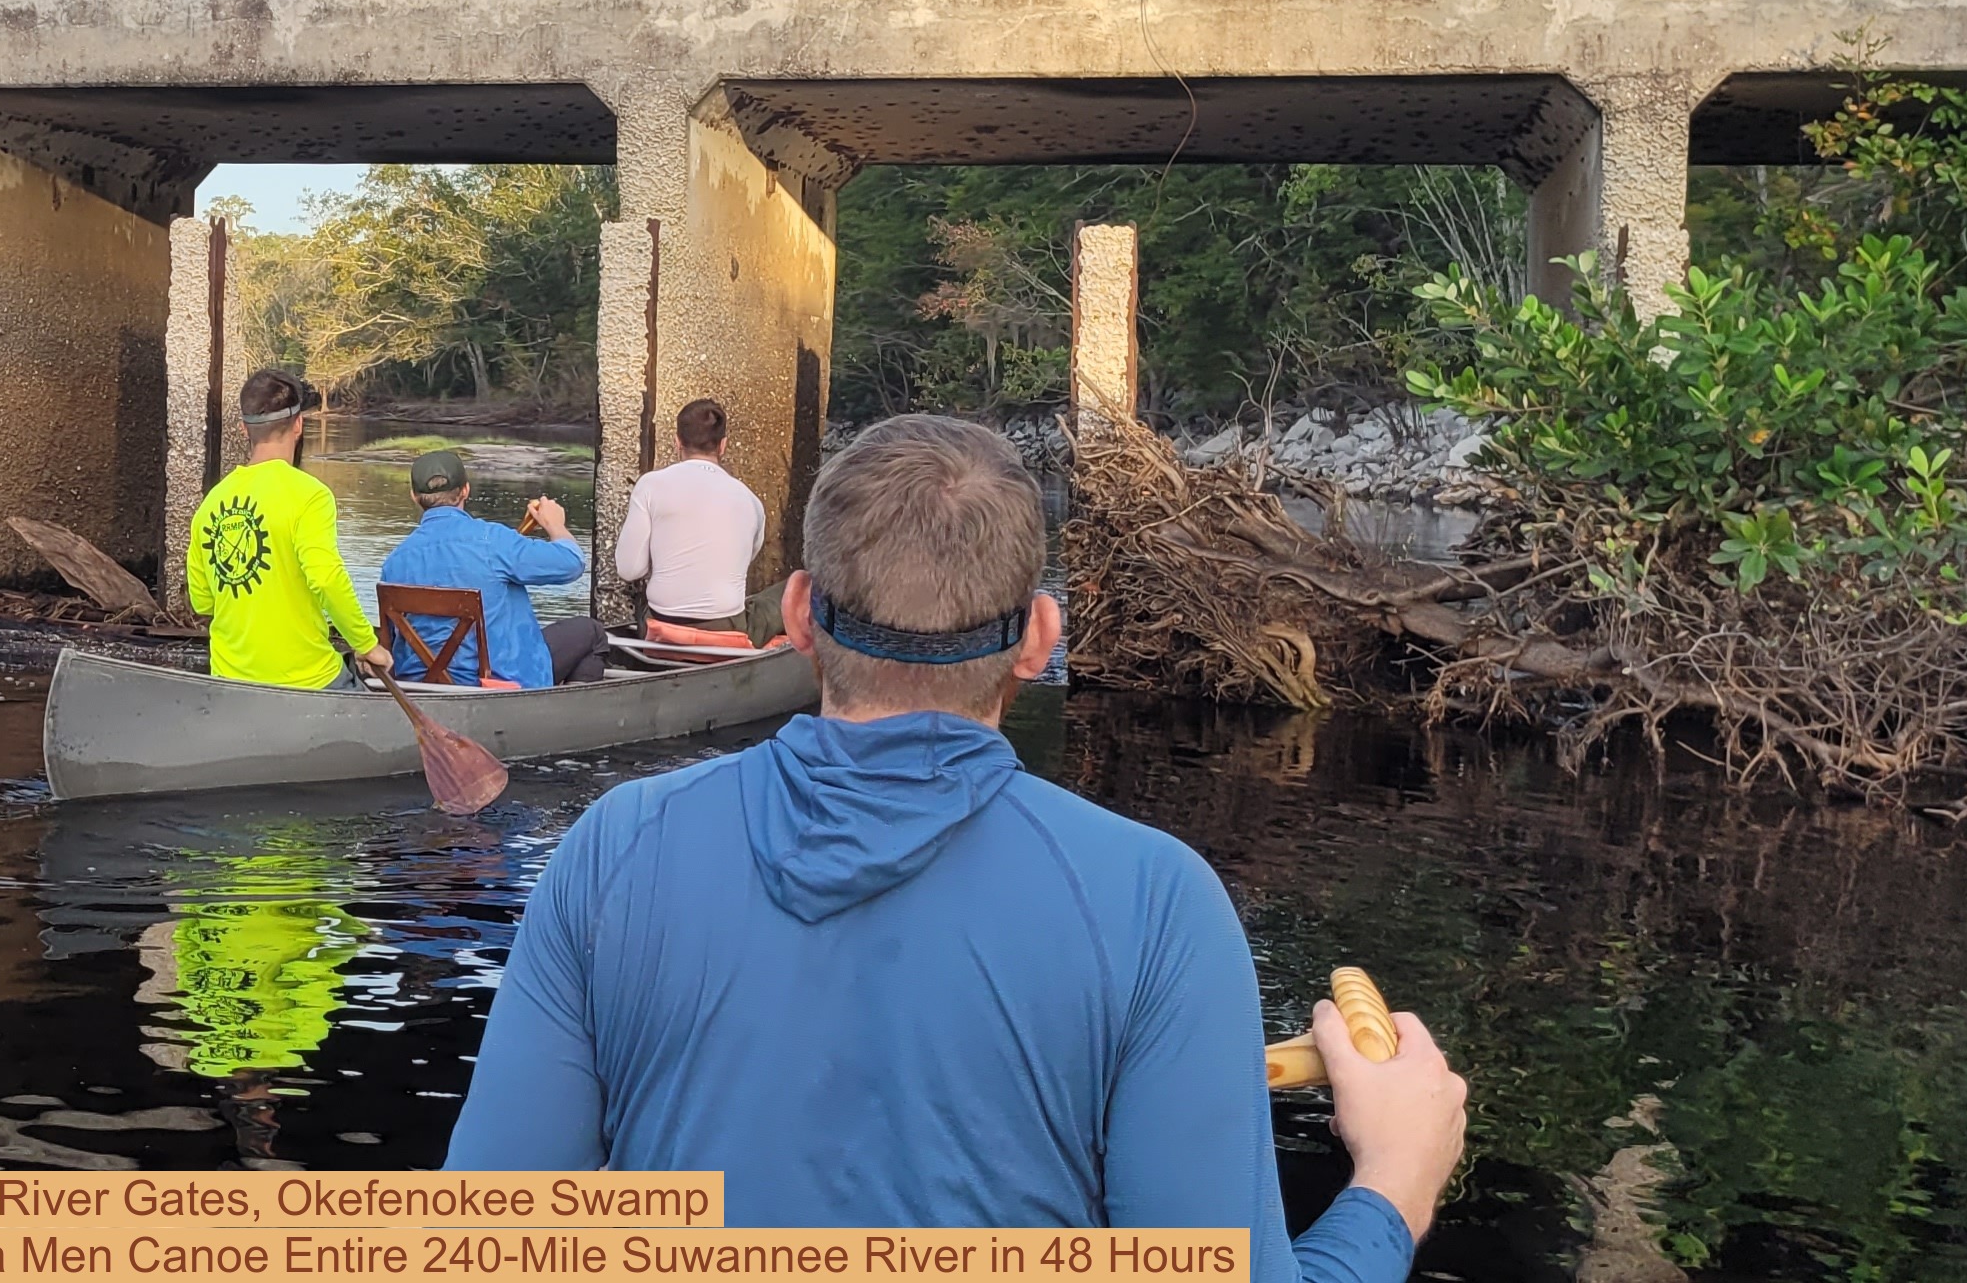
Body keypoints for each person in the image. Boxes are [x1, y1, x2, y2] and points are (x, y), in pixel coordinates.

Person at [446, 415, 1469, 1283]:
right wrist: (1395, 1179)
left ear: (799, 613)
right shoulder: (1160, 906)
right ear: (1038, 637)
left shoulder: (611, 851)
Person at [185, 370, 392, 690]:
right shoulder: (310, 495)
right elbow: (325, 578)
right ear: (298, 425)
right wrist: (366, 645)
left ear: (244, 430)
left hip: (229, 682)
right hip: (308, 682)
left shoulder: (211, 504)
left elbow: (203, 603)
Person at [376, 448, 607, 687]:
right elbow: (572, 563)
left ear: (414, 495)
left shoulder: (395, 561)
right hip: (496, 682)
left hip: (419, 685)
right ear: (466, 489)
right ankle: (565, 715)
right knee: (591, 632)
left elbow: (390, 641)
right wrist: (555, 525)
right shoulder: (493, 541)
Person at [613, 398, 768, 647]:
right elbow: (743, 559)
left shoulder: (650, 485)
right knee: (794, 591)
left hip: (662, 620)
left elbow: (629, 569)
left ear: (677, 442)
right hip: (725, 624)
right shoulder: (751, 500)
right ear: (723, 445)